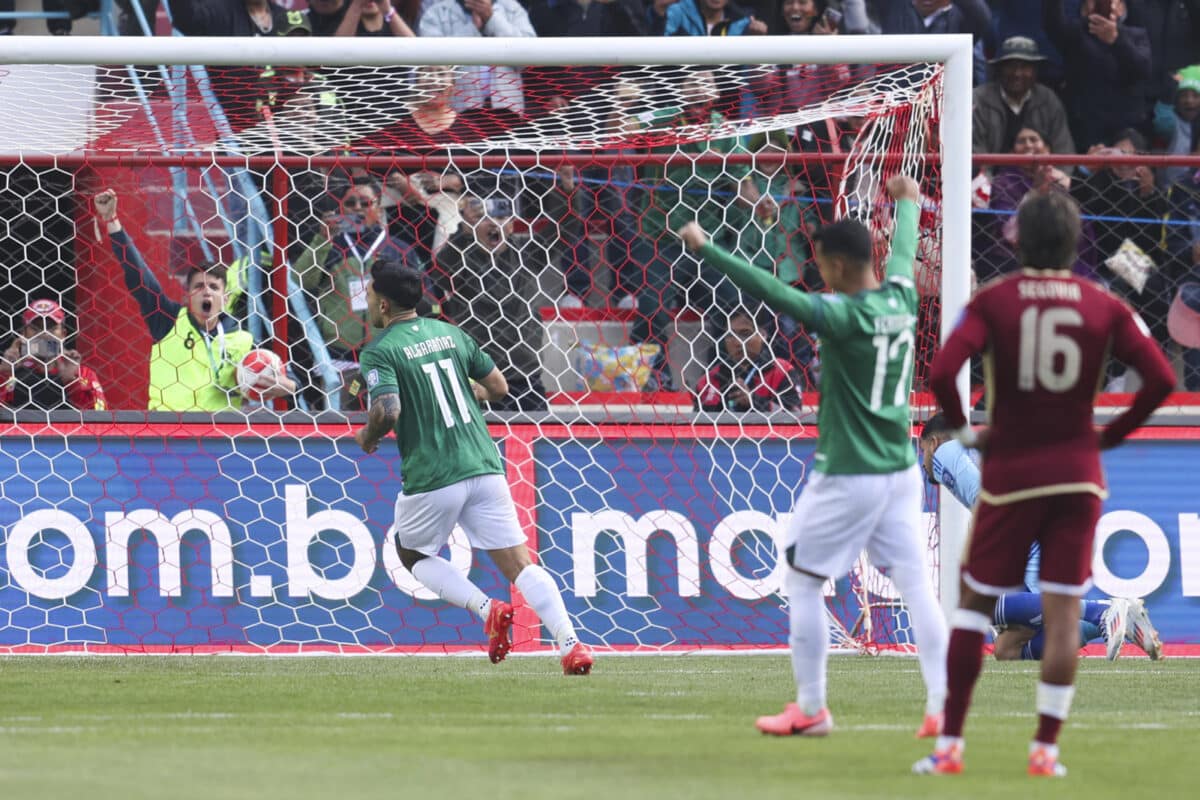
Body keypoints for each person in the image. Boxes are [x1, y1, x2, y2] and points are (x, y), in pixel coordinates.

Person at [677, 174, 949, 738]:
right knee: (918, 585)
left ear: (840, 267)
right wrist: (907, 203)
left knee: (801, 580)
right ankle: (943, 706)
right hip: (900, 467)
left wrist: (709, 249)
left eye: (822, 266)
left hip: (850, 472)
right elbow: (901, 250)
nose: (818, 275)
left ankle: (812, 707)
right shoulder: (901, 297)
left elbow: (775, 294)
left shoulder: (843, 316)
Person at [916, 190, 1176, 777]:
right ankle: (1046, 752)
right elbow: (1159, 376)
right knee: (1059, 615)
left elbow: (941, 370)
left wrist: (964, 430)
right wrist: (1109, 436)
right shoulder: (1103, 303)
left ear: (1016, 239)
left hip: (1014, 473)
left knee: (972, 609)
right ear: (1076, 242)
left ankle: (951, 746)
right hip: (1078, 476)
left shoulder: (995, 301)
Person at [353, 258, 593, 674]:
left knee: (411, 554)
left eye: (371, 293)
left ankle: (486, 608)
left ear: (385, 304)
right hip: (483, 463)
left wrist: (369, 437)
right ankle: (571, 645)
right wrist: (465, 394)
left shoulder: (380, 350)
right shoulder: (451, 333)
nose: (368, 300)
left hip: (433, 472)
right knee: (520, 564)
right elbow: (499, 387)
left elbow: (387, 409)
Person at [918, 413, 1163, 662]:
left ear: (933, 443)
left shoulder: (945, 452)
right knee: (1007, 649)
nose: (923, 459)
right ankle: (1121, 615)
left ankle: (1101, 612)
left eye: (924, 449)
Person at [94, 190, 296, 412]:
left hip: (222, 436)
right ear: (188, 295)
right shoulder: (167, 319)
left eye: (214, 287)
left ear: (226, 297)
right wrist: (112, 221)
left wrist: (288, 386)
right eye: (199, 286)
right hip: (167, 432)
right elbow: (139, 276)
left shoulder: (243, 339)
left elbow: (289, 377)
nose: (206, 292)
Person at [417, 0, 536, 115]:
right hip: (459, 115)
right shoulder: (436, 13)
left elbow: (528, 58)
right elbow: (434, 66)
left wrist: (491, 18)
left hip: (507, 113)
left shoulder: (512, 8)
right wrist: (472, 29)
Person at [972, 36, 1075, 158]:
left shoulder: (1048, 99)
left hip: (1042, 174)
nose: (1017, 73)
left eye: (1025, 67)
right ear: (999, 69)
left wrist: (1057, 176)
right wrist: (988, 177)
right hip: (989, 175)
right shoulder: (978, 99)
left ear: (1036, 71)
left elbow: (1063, 149)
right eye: (1011, 66)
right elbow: (975, 152)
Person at [1, 299, 107, 411]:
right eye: (36, 327)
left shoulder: (82, 373)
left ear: (63, 334)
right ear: (23, 334)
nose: (44, 333)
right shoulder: (11, 372)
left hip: (67, 429)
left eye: (51, 327)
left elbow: (100, 416)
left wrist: (71, 381)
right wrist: (3, 374)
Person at [695, 309, 802, 412]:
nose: (737, 342)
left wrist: (754, 402)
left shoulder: (782, 372)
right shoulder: (709, 380)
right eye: (730, 335)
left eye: (745, 333)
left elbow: (795, 416)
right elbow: (697, 424)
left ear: (763, 335)